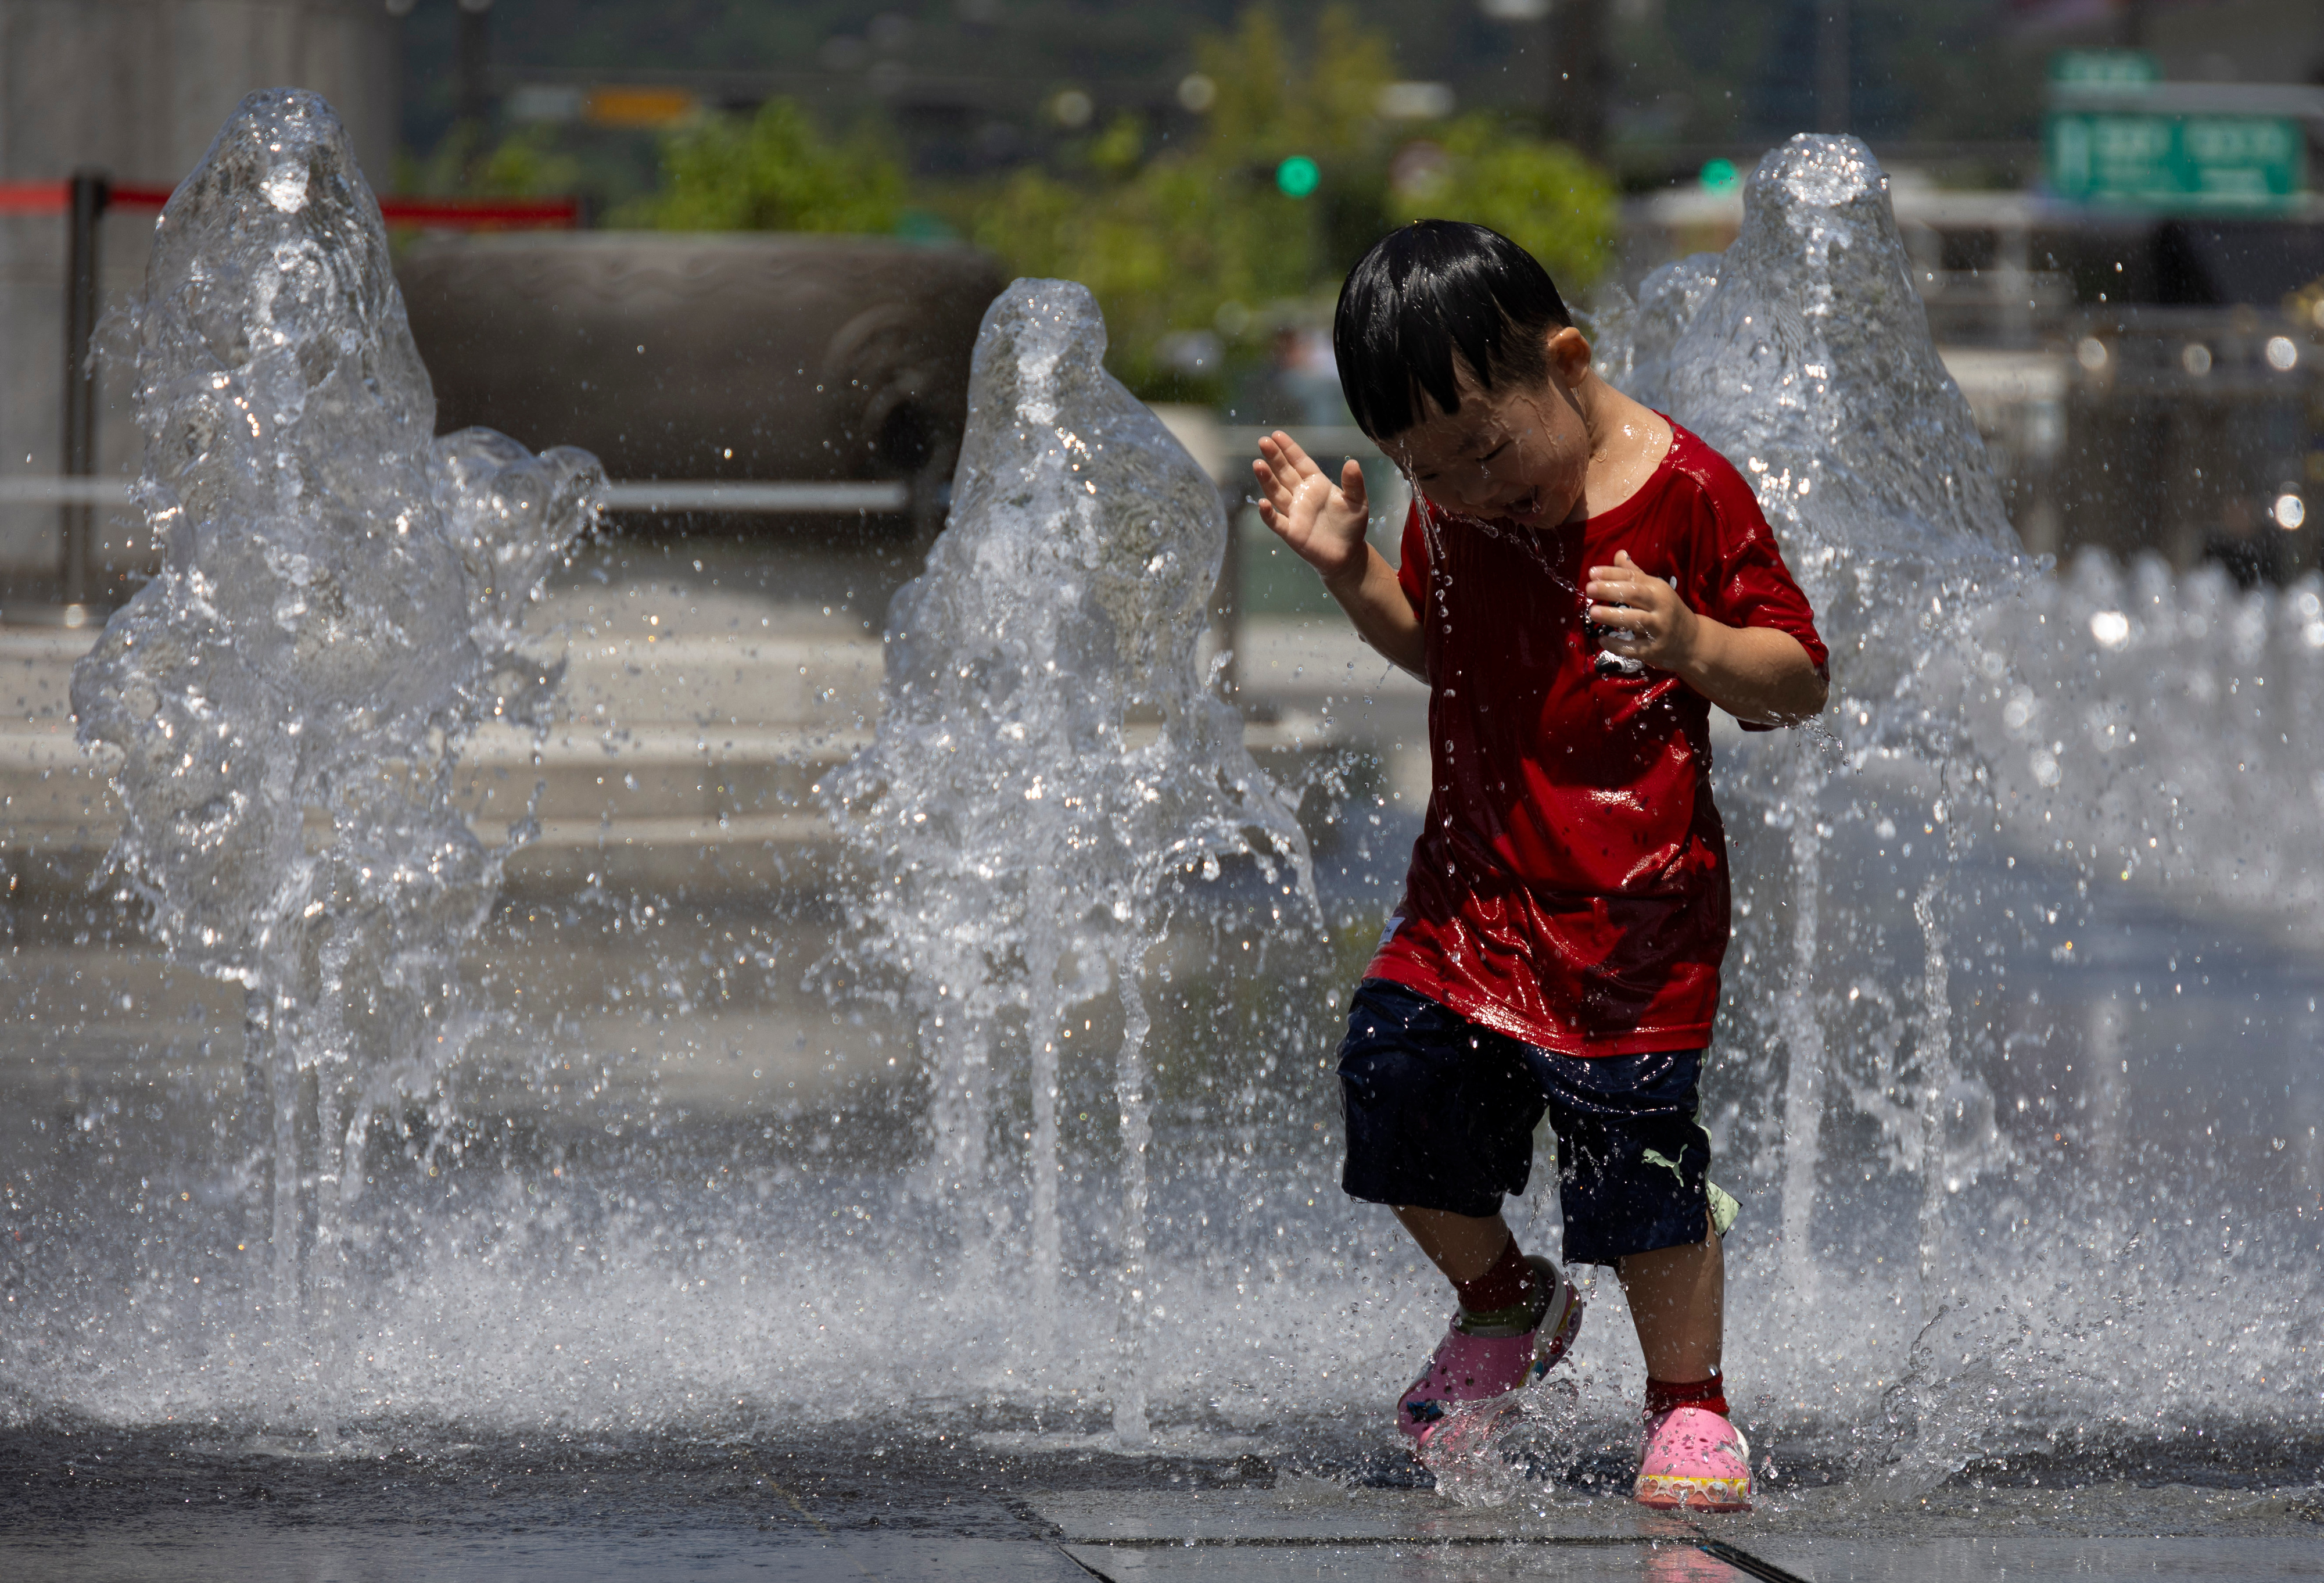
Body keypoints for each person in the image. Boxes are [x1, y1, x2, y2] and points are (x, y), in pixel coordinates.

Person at [1249, 221, 1828, 1512]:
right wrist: (1351, 576)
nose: (1469, 494)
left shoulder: (1686, 492)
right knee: (1390, 1084)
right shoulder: (1456, 509)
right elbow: (1441, 653)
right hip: (1472, 893)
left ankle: (1686, 1402)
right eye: (1428, 473)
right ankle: (1505, 1299)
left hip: (1635, 912)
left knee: (1636, 1161)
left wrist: (1689, 639)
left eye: (1488, 455)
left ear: (1565, 364)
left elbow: (1796, 683)